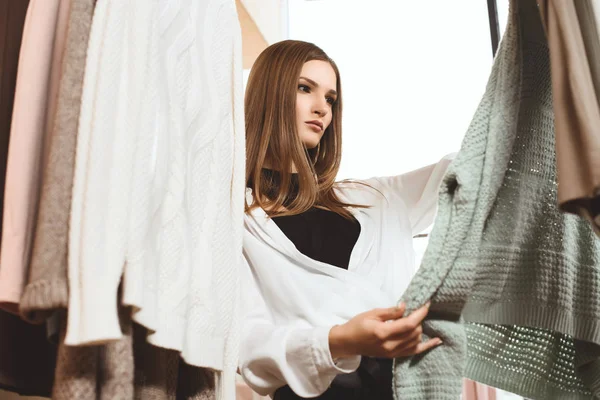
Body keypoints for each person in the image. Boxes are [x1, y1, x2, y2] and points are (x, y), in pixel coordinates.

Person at [239, 40, 454, 400]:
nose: (321, 108)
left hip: (406, 389)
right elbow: (248, 341)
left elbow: (468, 171)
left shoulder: (373, 200)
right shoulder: (240, 221)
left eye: (331, 99)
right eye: (305, 88)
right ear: (269, 93)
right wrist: (339, 339)